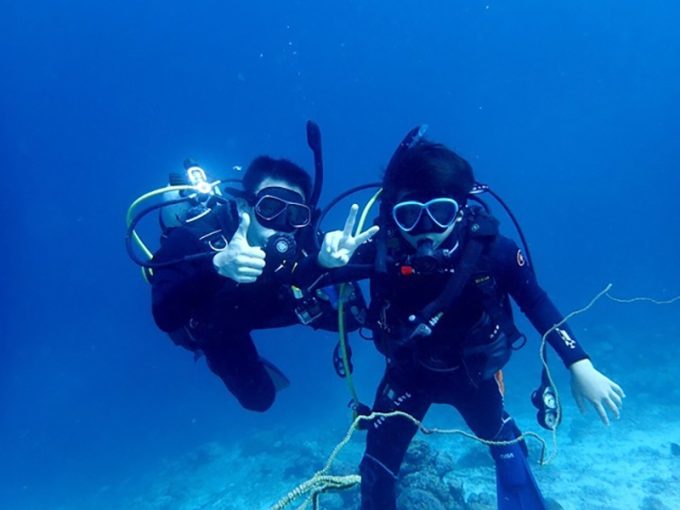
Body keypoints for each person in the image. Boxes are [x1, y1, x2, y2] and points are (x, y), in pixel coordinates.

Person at [296, 132, 625, 509]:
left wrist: (578, 363)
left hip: (474, 378)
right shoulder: (374, 251)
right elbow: (297, 284)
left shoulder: (495, 253)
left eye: (441, 213)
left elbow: (536, 302)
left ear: (463, 208)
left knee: (506, 452)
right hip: (407, 376)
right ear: (391, 214)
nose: (425, 230)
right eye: (408, 215)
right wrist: (319, 263)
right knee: (376, 468)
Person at [150, 155, 365, 412]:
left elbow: (356, 305)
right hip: (219, 322)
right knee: (260, 399)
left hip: (272, 302)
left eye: (295, 214)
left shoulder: (305, 237)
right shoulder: (192, 239)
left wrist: (327, 264)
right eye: (270, 208)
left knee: (352, 318)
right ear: (243, 205)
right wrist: (217, 269)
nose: (282, 226)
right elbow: (165, 316)